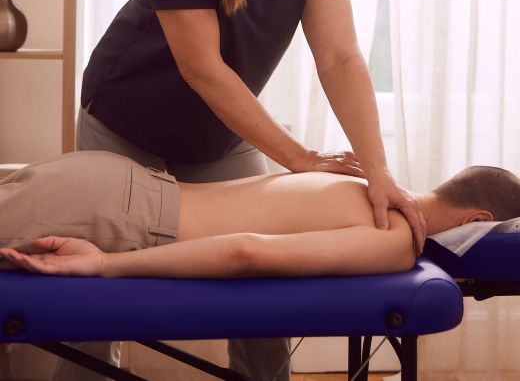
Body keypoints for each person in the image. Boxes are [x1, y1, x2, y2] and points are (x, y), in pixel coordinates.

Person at [74, 0, 426, 380]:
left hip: (219, 137)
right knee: (94, 311)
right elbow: (202, 67)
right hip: (125, 126)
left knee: (265, 303)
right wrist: (299, 160)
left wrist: (378, 171)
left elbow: (340, 56)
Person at [1, 151, 519, 281]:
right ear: (476, 218)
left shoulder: (359, 181)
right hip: (117, 219)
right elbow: (245, 252)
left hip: (112, 179)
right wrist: (105, 264)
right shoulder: (396, 237)